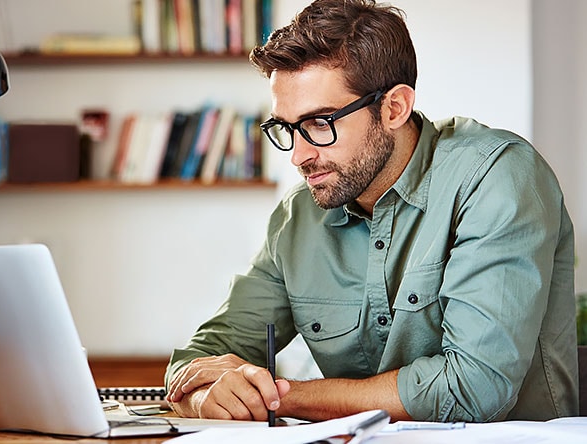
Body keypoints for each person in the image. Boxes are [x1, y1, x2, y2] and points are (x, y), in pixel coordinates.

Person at [164, 0, 578, 423]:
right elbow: (203, 358)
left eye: (321, 123)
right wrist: (204, 394)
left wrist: (278, 398)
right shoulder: (298, 216)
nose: (299, 156)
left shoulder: (497, 176)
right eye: (286, 128)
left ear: (394, 108)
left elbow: (473, 388)